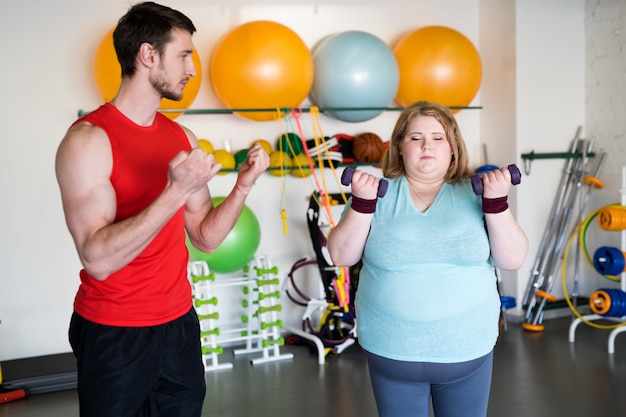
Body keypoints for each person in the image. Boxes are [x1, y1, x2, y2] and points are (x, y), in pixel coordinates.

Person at [55, 2, 269, 416]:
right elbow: (97, 259)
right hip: (114, 330)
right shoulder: (88, 141)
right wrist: (175, 191)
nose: (192, 69)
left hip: (179, 326)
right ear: (148, 55)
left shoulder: (181, 136)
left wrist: (242, 186)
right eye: (184, 55)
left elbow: (205, 237)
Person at [327, 101, 528, 417]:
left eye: (438, 137)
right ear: (400, 147)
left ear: (453, 148)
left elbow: (513, 259)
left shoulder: (478, 194)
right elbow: (340, 255)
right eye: (415, 137)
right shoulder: (376, 193)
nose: (426, 146)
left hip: (467, 350)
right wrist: (361, 205)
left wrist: (497, 203)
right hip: (390, 350)